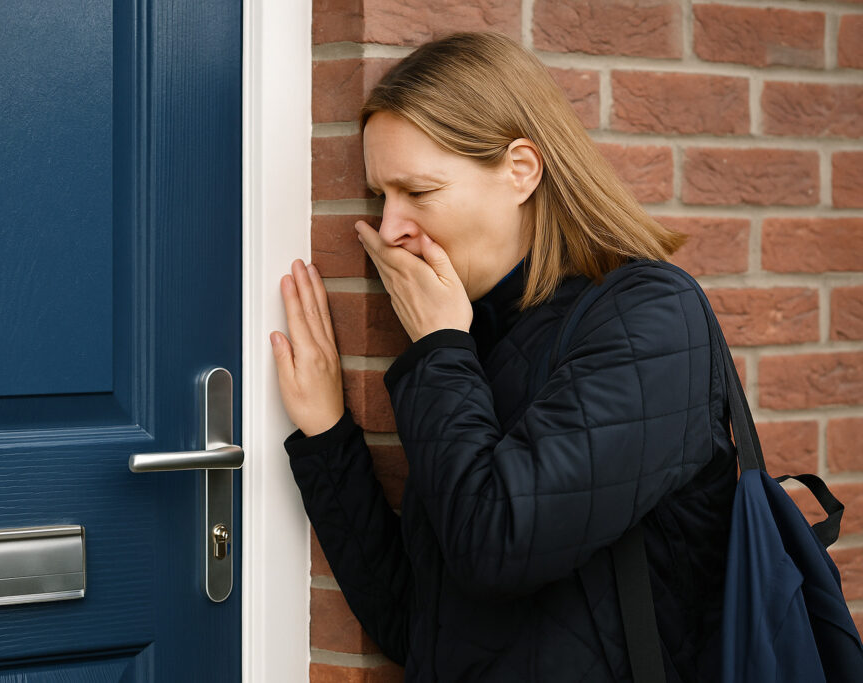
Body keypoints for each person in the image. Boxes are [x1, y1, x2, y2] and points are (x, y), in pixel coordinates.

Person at [269, 31, 737, 682]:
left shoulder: (649, 320)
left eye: (419, 192)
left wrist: (437, 348)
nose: (392, 226)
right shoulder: (472, 335)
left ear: (521, 170)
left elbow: (496, 546)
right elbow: (414, 621)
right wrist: (328, 438)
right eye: (382, 197)